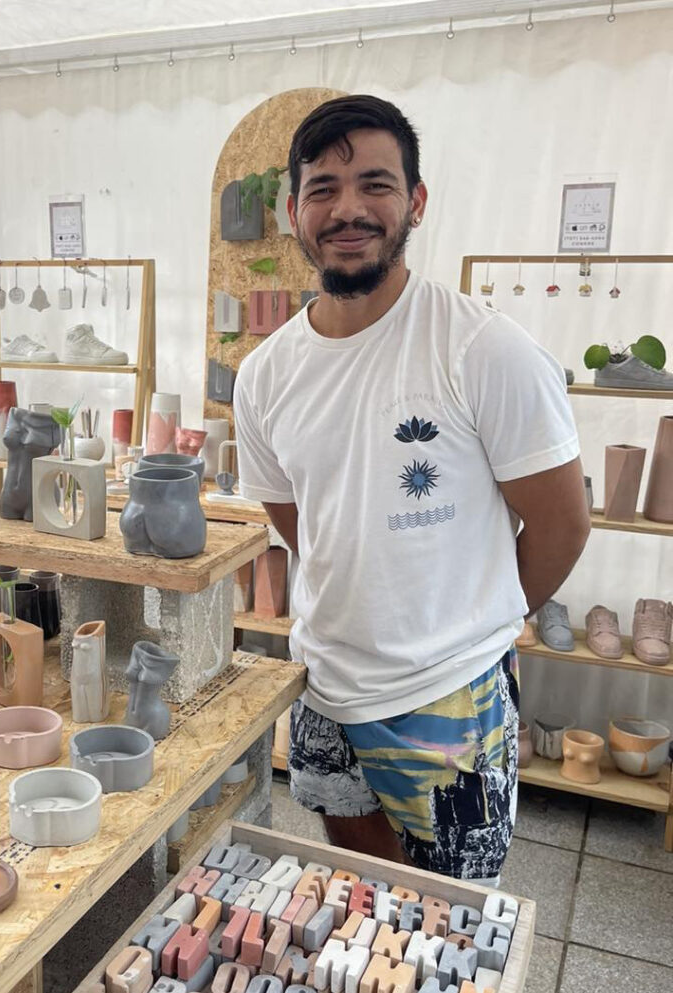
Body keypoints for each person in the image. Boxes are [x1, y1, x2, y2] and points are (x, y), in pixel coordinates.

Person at [233, 95, 590, 883]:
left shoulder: (482, 349)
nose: (348, 208)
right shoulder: (264, 377)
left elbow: (562, 527)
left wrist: (467, 626)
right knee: (365, 916)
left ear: (416, 202)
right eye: (322, 188)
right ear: (294, 210)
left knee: (451, 936)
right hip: (326, 688)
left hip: (451, 702)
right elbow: (304, 525)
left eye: (376, 184)